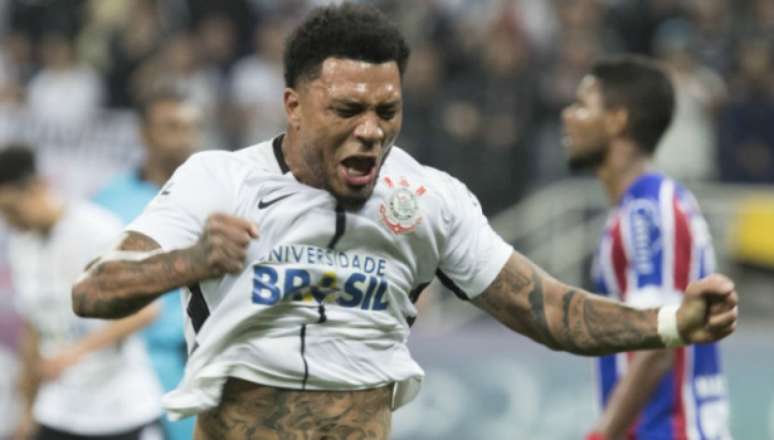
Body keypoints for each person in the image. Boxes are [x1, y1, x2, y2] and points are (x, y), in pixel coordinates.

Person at [71, 4, 738, 439]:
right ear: (293, 106)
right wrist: (191, 261)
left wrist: (671, 322)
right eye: (347, 111)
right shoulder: (218, 180)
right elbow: (93, 289)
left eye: (387, 111)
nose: (371, 131)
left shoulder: (428, 201)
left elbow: (549, 311)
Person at [561, 55, 732, 439]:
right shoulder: (641, 208)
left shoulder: (648, 211)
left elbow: (658, 342)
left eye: (582, 105)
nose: (567, 115)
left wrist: (602, 434)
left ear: (617, 120)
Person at [0, 145, 163, 440]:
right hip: (59, 409)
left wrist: (76, 352)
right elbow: (34, 325)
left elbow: (147, 310)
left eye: (12, 209)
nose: (9, 221)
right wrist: (27, 409)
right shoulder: (22, 246)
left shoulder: (97, 230)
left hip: (120, 408)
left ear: (37, 187)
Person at [92, 89, 201, 440]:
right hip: (130, 366)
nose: (184, 138)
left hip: (201, 365)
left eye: (190, 127)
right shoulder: (108, 204)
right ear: (144, 134)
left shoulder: (220, 197)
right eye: (171, 127)